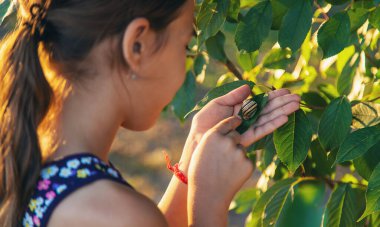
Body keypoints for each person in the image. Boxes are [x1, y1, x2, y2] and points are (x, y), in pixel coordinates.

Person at [0, 0, 301, 226]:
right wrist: (209, 202)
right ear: (137, 45)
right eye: (184, 43)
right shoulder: (114, 214)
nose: (185, 65)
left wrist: (190, 164)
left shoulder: (43, 166)